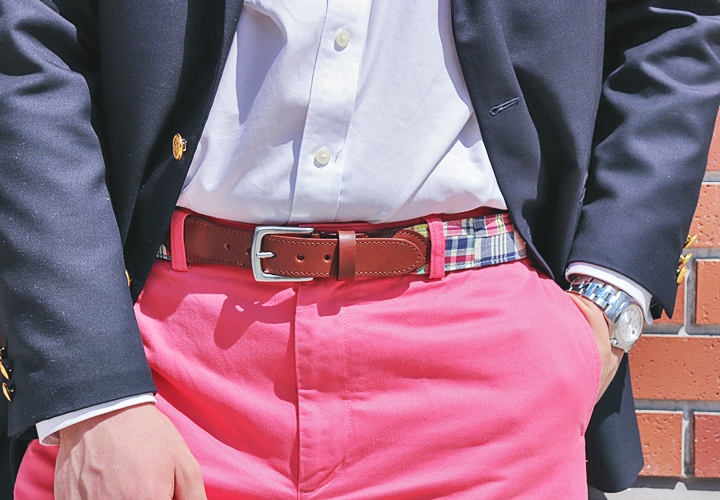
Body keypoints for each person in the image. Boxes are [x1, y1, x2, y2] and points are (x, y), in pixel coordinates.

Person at [1, 0, 719, 498]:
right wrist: (92, 395)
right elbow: (30, 37)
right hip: (161, 380)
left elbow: (673, 23)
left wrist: (604, 307)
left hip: (485, 378)